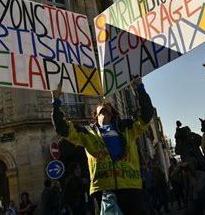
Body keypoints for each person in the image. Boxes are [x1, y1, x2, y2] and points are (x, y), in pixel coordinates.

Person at [51, 77, 154, 215]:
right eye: (101, 108)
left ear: (113, 115)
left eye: (107, 107)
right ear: (96, 116)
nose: (104, 106)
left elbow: (146, 116)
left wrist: (139, 86)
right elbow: (62, 127)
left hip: (130, 187)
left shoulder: (127, 128)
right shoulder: (87, 133)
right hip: (103, 190)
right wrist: (56, 100)